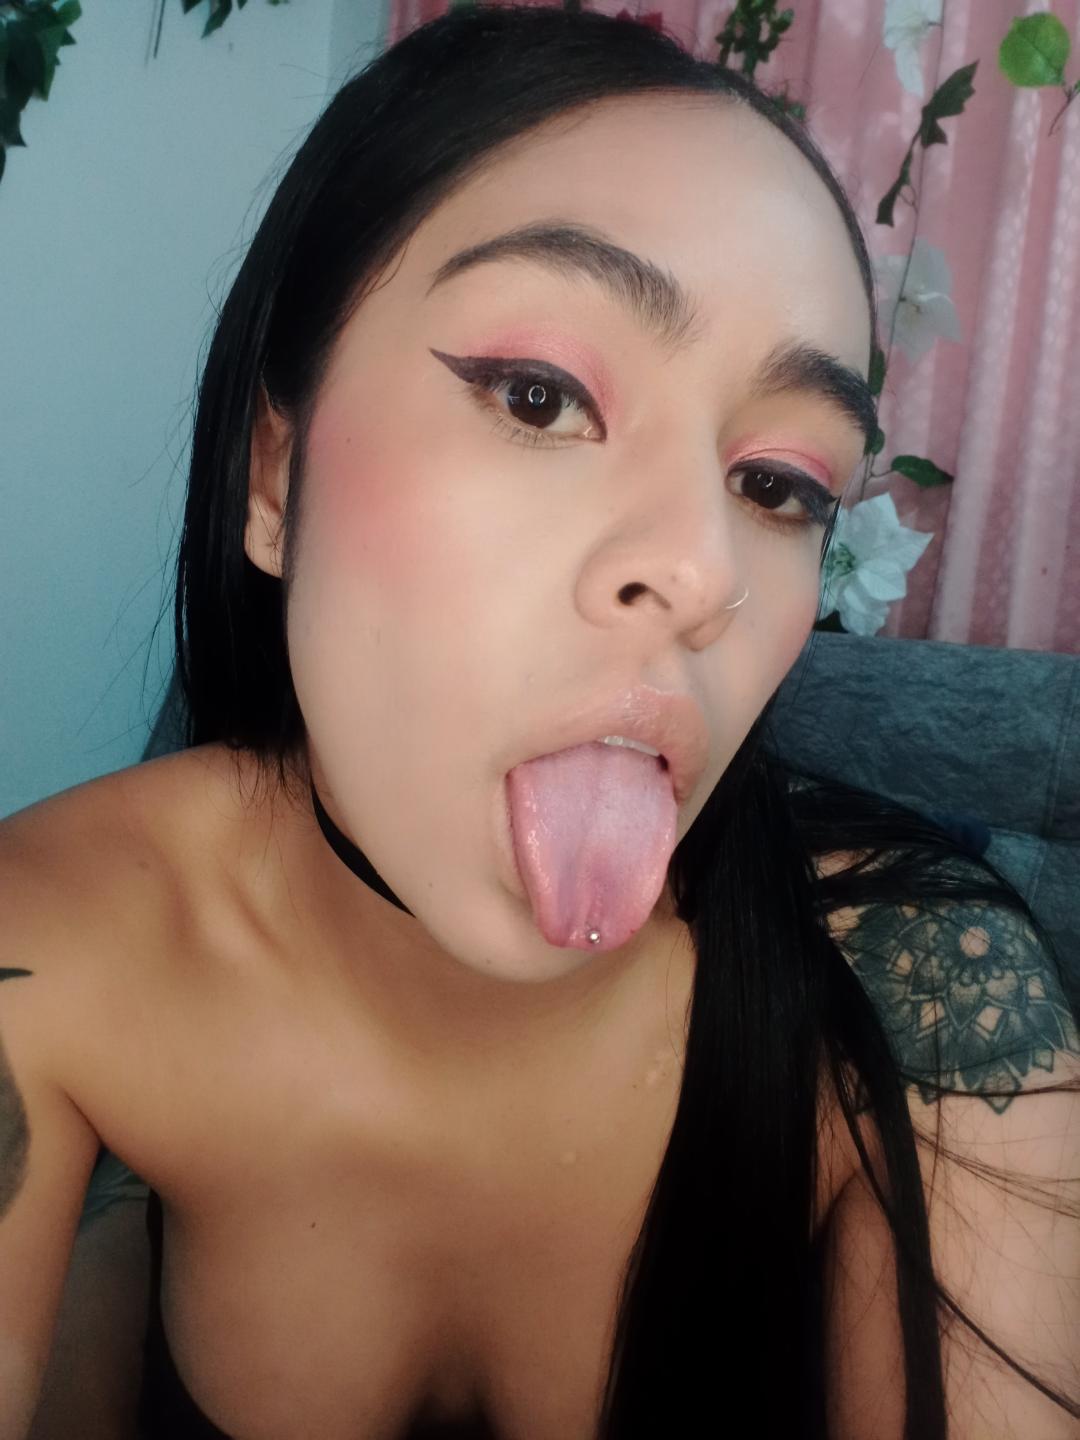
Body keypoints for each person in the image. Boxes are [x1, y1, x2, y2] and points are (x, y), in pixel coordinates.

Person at [2, 5, 1078, 1437]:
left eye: (778, 487)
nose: (698, 568)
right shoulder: (48, 943)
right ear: (274, 475)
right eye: (538, 395)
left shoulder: (926, 997)